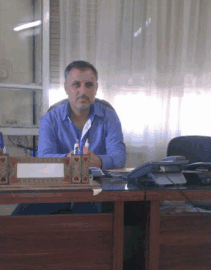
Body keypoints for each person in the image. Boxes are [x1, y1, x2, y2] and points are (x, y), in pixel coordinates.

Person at [11, 60, 126, 215]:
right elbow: (43, 157)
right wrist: (68, 159)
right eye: (76, 85)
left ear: (96, 88)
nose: (83, 91)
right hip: (59, 187)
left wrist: (97, 161)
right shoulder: (50, 119)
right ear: (66, 88)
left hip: (98, 187)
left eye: (89, 85)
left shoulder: (109, 116)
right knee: (20, 215)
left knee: (91, 207)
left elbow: (119, 156)